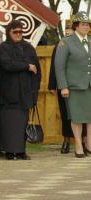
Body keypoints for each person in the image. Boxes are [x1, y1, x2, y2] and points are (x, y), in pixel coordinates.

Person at [0, 20, 41, 160]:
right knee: (9, 124)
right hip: (9, 93)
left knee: (22, 124)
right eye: (15, 32)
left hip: (25, 92)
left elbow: (37, 70)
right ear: (9, 32)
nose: (18, 34)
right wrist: (26, 66)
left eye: (20, 32)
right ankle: (10, 151)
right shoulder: (3, 47)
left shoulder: (28, 47)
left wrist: (35, 89)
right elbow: (7, 65)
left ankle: (21, 151)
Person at [55, 12, 91, 158]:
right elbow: (59, 66)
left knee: (90, 117)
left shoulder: (90, 40)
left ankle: (89, 144)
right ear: (76, 26)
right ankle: (78, 146)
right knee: (76, 118)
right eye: (82, 24)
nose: (86, 27)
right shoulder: (66, 42)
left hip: (89, 85)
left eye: (87, 24)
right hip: (74, 86)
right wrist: (63, 86)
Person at [48, 22, 75, 154]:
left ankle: (83, 142)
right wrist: (52, 85)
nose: (68, 33)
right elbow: (54, 67)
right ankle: (66, 141)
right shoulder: (59, 46)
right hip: (63, 86)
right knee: (65, 115)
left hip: (78, 85)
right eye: (66, 31)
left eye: (70, 31)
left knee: (81, 115)